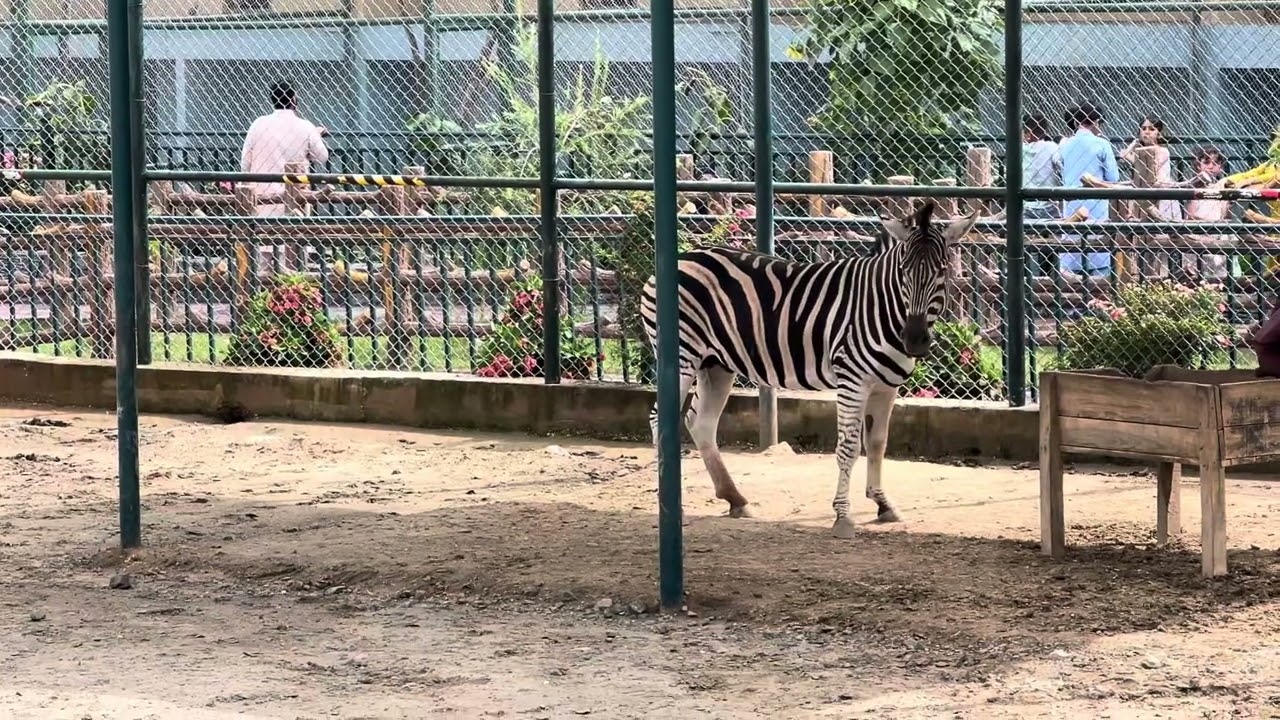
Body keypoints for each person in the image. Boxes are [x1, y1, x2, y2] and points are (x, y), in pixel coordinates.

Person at [239, 81, 330, 217]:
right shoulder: (305, 126)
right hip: (295, 200)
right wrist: (315, 135)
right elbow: (322, 156)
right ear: (293, 99)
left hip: (261, 198)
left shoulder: (258, 124)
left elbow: (245, 163)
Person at [1057, 102, 1120, 279]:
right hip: (1097, 205)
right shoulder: (1101, 144)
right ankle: (1099, 303)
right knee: (1099, 258)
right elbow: (1113, 177)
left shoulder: (1065, 145)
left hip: (1071, 204)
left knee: (1071, 256)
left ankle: (1070, 305)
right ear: (1097, 122)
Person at [1021, 112, 1061, 277]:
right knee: (1049, 244)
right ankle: (1047, 275)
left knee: (1023, 245)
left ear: (1028, 132)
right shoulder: (1052, 147)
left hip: (1025, 205)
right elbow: (1060, 166)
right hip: (1049, 205)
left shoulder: (1020, 149)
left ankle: (1024, 276)